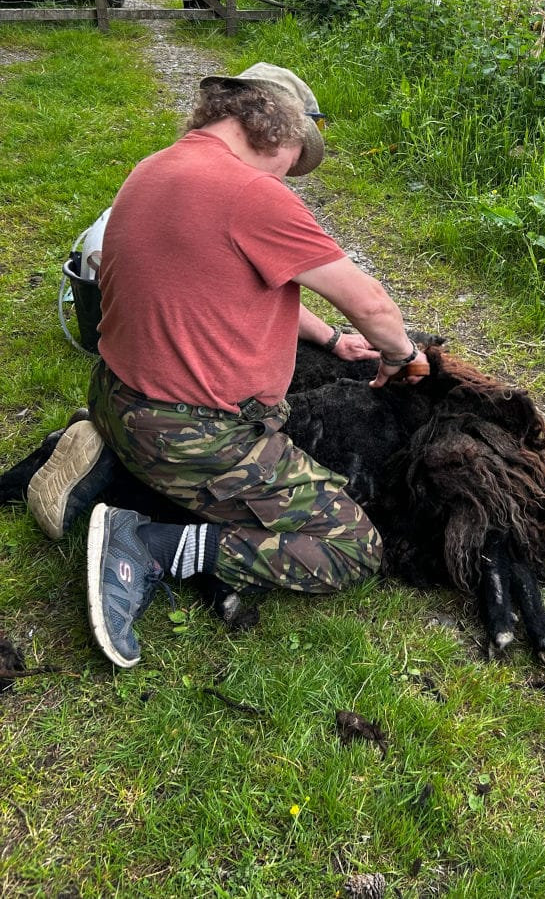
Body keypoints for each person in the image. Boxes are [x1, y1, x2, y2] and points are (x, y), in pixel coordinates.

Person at [27, 62, 429, 669]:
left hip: (117, 392)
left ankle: (105, 448)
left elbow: (233, 282)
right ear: (275, 128)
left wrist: (330, 339)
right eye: (294, 160)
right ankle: (153, 544)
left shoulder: (154, 169)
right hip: (192, 434)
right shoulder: (250, 193)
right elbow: (370, 301)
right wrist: (402, 356)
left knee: (154, 438)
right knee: (352, 549)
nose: (291, 176)